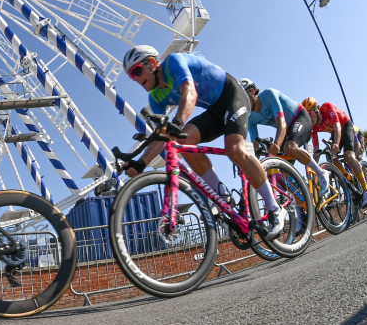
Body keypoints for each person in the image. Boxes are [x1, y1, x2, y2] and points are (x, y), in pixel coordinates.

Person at [122, 47, 285, 239]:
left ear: (152, 63)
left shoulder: (173, 63)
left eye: (137, 71)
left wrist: (177, 123)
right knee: (184, 141)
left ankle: (275, 208)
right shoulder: (155, 97)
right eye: (132, 76)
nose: (136, 79)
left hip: (232, 96)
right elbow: (162, 135)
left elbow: (190, 94)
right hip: (214, 110)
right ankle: (221, 194)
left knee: (234, 149)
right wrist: (141, 163)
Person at [239, 78, 333, 226]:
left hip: (300, 117)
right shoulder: (250, 118)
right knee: (284, 173)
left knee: (290, 147)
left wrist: (276, 144)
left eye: (243, 97)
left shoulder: (268, 94)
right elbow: (255, 145)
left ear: (252, 92)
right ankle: (302, 217)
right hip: (288, 130)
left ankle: (322, 173)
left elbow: (281, 123)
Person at [303, 96, 367, 206]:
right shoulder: (313, 127)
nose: (309, 120)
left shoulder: (327, 107)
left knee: (348, 155)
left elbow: (337, 126)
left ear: (316, 109)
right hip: (335, 133)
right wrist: (313, 163)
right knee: (330, 157)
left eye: (309, 115)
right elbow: (316, 149)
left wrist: (336, 144)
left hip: (345, 125)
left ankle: (366, 189)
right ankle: (347, 176)